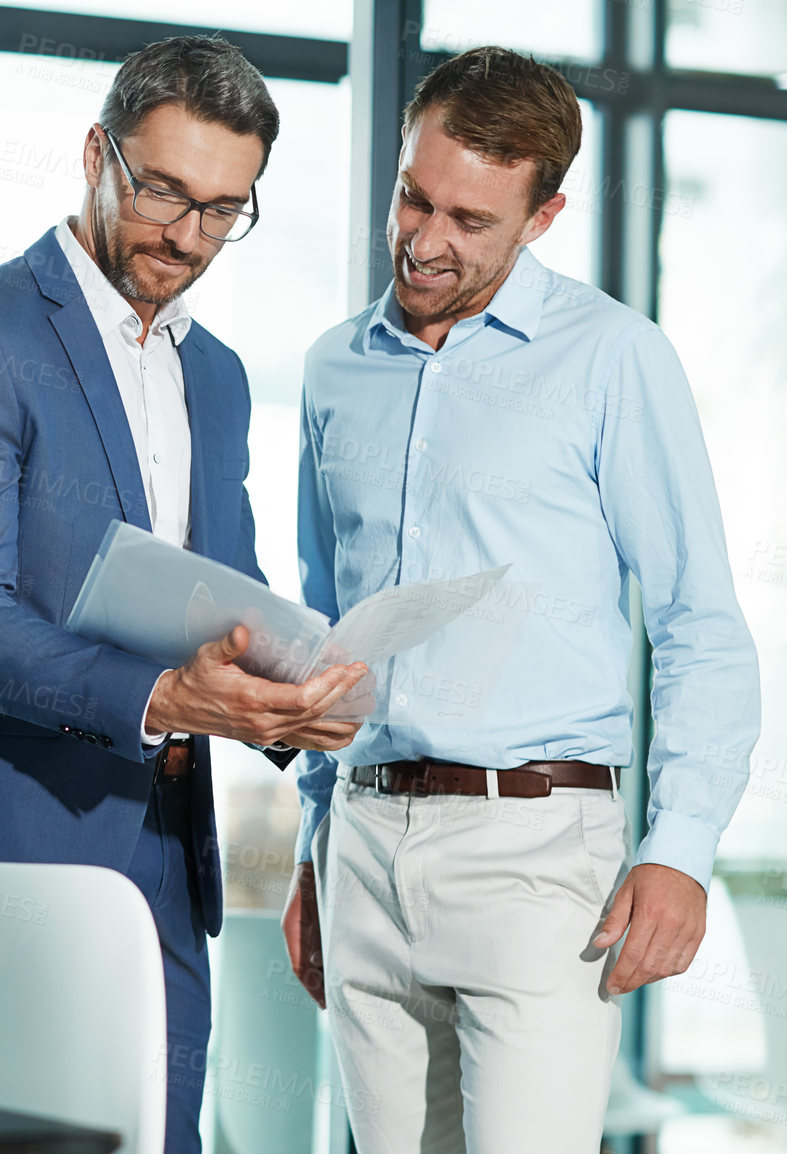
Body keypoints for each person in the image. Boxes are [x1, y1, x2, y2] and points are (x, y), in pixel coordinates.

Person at [0, 35, 366, 1154]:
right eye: (164, 190)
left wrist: (303, 696)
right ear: (97, 153)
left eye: (225, 209)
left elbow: (230, 596)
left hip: (162, 875)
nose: (188, 235)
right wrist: (171, 697)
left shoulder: (216, 373)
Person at [282, 47, 761, 1153]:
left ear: (541, 216)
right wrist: (315, 836)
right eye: (414, 196)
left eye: (470, 219)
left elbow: (698, 620)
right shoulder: (330, 367)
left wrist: (680, 847)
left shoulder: (614, 359)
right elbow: (325, 626)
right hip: (363, 837)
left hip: (540, 853)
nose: (425, 239)